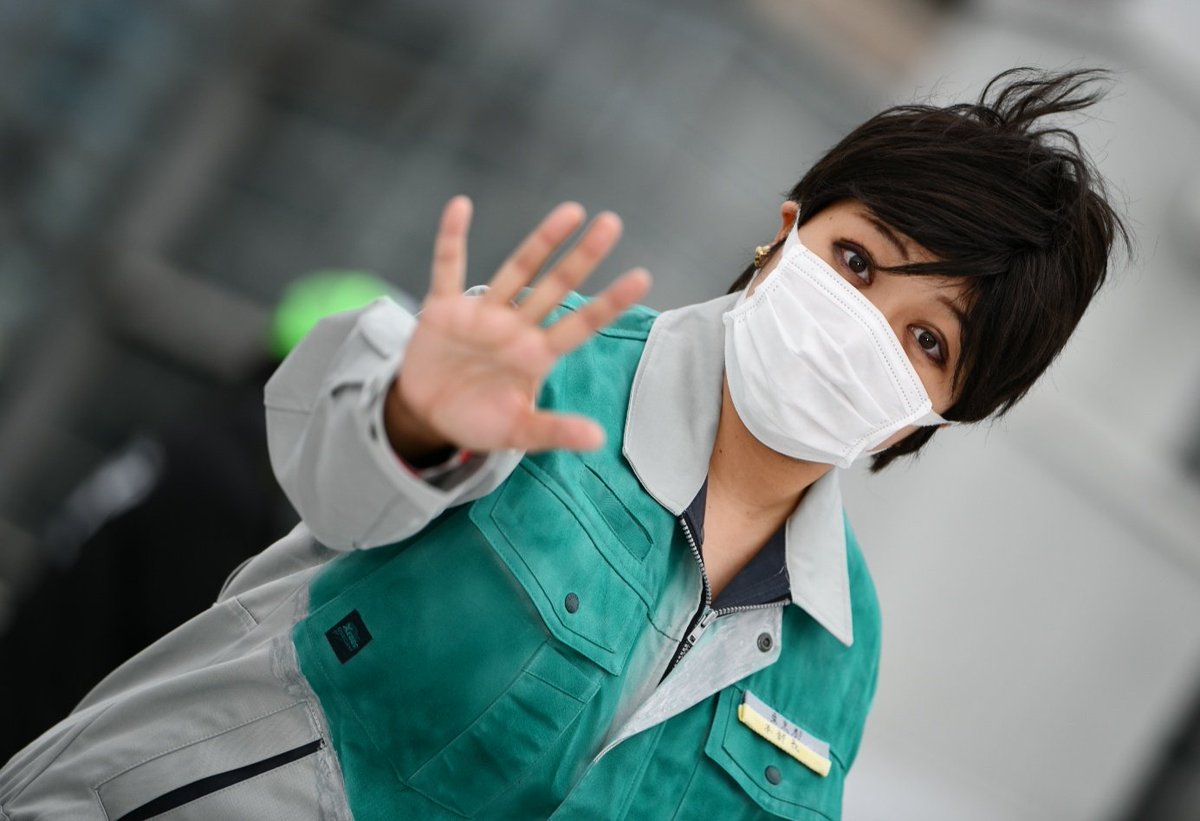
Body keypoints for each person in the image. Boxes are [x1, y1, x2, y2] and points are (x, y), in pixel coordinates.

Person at [0, 67, 1126, 820]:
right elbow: (330, 467)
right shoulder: (542, 361)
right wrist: (414, 421)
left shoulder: (844, 644)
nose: (862, 327)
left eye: (927, 340)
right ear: (785, 233)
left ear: (942, 413)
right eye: (858, 261)